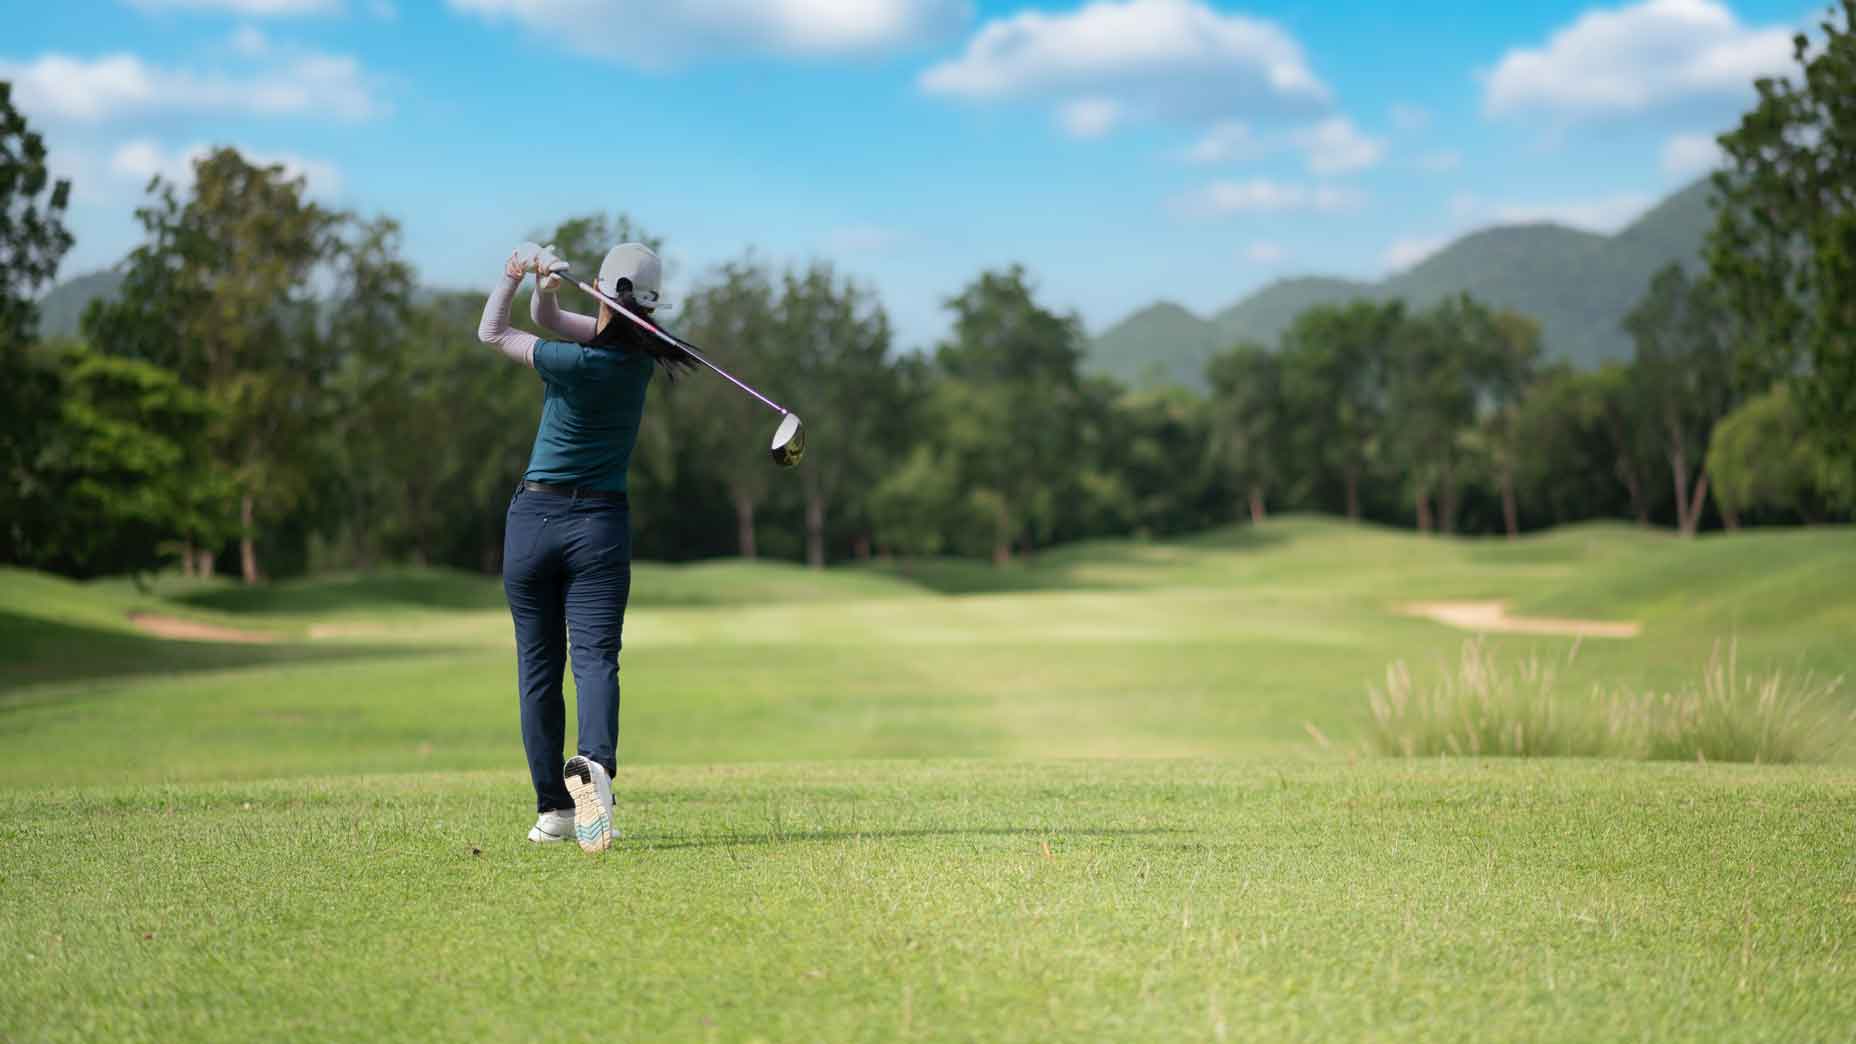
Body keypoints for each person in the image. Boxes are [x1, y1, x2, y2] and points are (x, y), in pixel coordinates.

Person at [476, 240, 689, 853]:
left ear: (601, 286)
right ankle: (594, 762)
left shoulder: (573, 363)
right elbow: (555, 320)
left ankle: (554, 809)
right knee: (596, 658)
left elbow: (494, 333)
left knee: (538, 670)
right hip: (599, 524)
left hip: (534, 521)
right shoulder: (641, 358)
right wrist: (547, 288)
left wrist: (515, 272)